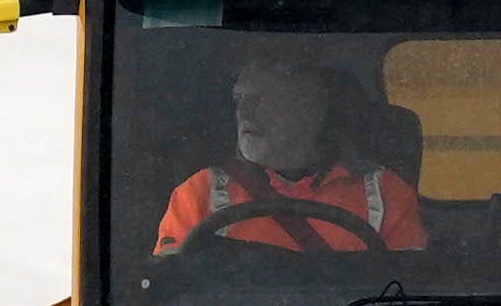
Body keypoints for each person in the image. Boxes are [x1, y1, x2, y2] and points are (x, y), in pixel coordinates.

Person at [153, 51, 427, 258]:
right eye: (240, 100)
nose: (245, 113)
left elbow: (403, 300)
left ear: (311, 110)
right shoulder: (200, 192)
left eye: (263, 99)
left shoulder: (386, 192)